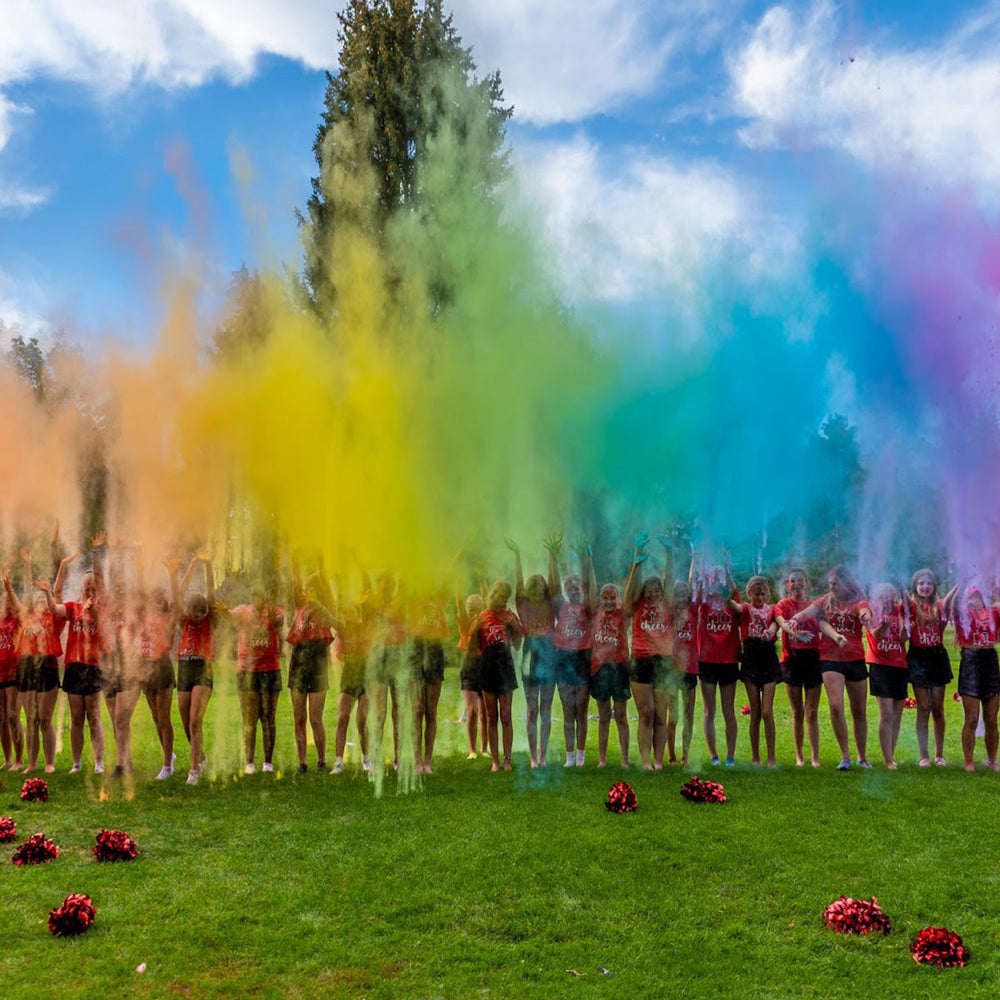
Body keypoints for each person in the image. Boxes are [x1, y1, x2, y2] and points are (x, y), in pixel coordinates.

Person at [794, 566, 872, 770]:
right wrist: (794, 620)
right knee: (836, 706)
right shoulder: (825, 600)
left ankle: (862, 757)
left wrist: (865, 616)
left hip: (855, 658)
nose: (833, 587)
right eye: (830, 584)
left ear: (847, 583)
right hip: (830, 658)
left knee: (859, 711)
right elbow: (807, 612)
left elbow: (864, 609)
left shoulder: (858, 599)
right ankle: (845, 756)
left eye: (836, 584)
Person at [50, 549, 106, 774]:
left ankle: (99, 763)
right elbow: (55, 606)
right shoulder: (73, 607)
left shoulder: (101, 608)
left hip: (93, 667)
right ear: (81, 589)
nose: (90, 591)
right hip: (73, 666)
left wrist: (92, 611)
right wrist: (62, 567)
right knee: (76, 717)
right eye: (87, 588)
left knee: (93, 715)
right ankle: (76, 763)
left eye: (94, 588)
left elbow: (101, 624)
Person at [16, 547, 69, 773]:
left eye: (42, 598)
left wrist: (61, 568)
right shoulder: (26, 617)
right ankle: (31, 763)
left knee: (44, 719)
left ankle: (49, 763)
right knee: (30, 719)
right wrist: (27, 565)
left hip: (47, 667)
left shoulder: (54, 618)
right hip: (27, 667)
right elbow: (27, 594)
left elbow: (57, 593)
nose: (39, 601)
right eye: (37, 598)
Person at [623, 534, 673, 769]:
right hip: (641, 660)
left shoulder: (667, 604)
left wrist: (670, 555)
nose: (653, 593)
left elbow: (670, 580)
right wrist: (637, 561)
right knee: (647, 712)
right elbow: (627, 597)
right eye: (649, 590)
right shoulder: (637, 604)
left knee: (661, 713)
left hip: (663, 661)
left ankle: (659, 760)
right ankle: (645, 760)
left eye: (657, 590)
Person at [506, 538, 556, 768]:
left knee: (546, 708)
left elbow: (555, 584)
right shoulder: (523, 604)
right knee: (532, 708)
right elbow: (517, 583)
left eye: (540, 587)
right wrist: (517, 555)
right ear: (528, 590)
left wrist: (552, 555)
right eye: (532, 588)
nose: (537, 591)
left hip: (548, 652)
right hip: (530, 654)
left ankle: (543, 755)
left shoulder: (551, 604)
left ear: (545, 590)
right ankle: (533, 757)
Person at [131, 553, 179, 780]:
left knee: (163, 717)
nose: (156, 601)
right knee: (154, 717)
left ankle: (167, 766)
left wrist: (173, 575)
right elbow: (140, 595)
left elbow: (178, 604)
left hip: (161, 668)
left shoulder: (168, 620)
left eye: (161, 599)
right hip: (144, 667)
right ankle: (169, 756)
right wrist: (140, 569)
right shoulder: (143, 616)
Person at [588, 549, 636, 768]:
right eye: (605, 598)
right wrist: (588, 559)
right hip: (599, 669)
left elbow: (629, 593)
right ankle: (602, 759)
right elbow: (590, 588)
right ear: (600, 599)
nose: (608, 601)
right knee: (604, 716)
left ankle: (625, 759)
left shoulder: (622, 615)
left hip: (619, 668)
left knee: (622, 717)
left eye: (612, 598)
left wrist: (635, 564)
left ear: (617, 600)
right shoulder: (595, 612)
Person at [468, 581, 523, 771]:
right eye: (494, 592)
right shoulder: (482, 617)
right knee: (491, 717)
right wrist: (474, 630)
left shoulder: (509, 616)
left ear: (505, 599)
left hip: (505, 666)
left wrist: (515, 628)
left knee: (505, 716)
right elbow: (472, 650)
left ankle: (507, 759)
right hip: (487, 667)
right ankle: (495, 761)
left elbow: (517, 645)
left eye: (500, 595)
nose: (494, 596)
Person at [287, 556, 334, 774]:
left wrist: (320, 558)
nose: (309, 591)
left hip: (318, 662)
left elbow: (335, 622)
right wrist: (294, 555)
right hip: (299, 662)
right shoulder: (299, 606)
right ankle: (302, 762)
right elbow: (294, 582)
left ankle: (322, 761)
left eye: (314, 588)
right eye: (308, 588)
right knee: (299, 718)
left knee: (316, 717)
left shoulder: (325, 609)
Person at [548, 535, 592, 767]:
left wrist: (585, 558)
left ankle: (582, 754)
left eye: (578, 588)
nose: (574, 591)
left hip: (582, 657)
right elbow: (553, 586)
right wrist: (553, 558)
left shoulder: (588, 607)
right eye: (570, 588)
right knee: (568, 711)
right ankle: (569, 756)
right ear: (566, 591)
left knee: (581, 710)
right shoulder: (561, 607)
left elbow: (589, 582)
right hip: (563, 658)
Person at [906, 569, 957, 766]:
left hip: (937, 658)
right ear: (915, 587)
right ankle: (924, 755)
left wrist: (961, 583)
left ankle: (939, 755)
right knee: (923, 708)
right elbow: (900, 597)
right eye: (921, 583)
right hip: (918, 657)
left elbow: (950, 600)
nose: (925, 586)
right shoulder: (910, 607)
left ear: (934, 586)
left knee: (938, 708)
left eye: (928, 583)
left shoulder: (939, 606)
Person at [231, 588, 284, 774]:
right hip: (247, 671)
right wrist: (223, 611)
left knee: (268, 717)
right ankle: (249, 762)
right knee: (249, 718)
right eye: (255, 596)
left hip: (269, 670)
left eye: (262, 596)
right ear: (251, 598)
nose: (258, 600)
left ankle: (268, 763)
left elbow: (279, 623)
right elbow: (230, 617)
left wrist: (270, 617)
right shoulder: (243, 611)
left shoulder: (275, 611)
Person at [773, 568, 822, 767]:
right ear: (787, 584)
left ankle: (815, 758)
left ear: (806, 583)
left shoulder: (814, 606)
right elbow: (780, 621)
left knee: (812, 711)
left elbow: (824, 625)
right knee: (797, 711)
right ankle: (800, 757)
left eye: (800, 580)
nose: (796, 584)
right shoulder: (783, 605)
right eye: (792, 581)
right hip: (791, 660)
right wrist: (793, 632)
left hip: (813, 659)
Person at [176, 550, 216, 785]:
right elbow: (179, 594)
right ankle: (200, 757)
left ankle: (193, 771)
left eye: (201, 614)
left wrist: (208, 566)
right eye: (194, 613)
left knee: (194, 721)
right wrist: (191, 564)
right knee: (185, 722)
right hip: (183, 668)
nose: (197, 618)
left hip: (203, 669)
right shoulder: (184, 620)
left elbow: (210, 594)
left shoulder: (210, 620)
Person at [696, 561, 742, 766]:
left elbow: (734, 590)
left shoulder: (731, 602)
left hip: (728, 661)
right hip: (706, 661)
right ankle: (714, 755)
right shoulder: (703, 602)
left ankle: (730, 756)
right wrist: (698, 560)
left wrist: (727, 565)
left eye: (718, 577)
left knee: (728, 710)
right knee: (709, 710)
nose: (715, 580)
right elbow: (694, 587)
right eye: (711, 577)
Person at [731, 576, 779, 767]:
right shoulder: (745, 609)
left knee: (767, 711)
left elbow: (777, 622)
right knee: (756, 712)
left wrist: (771, 630)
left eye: (763, 593)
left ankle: (771, 757)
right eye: (755, 593)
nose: (759, 597)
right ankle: (756, 756)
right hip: (750, 658)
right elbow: (733, 605)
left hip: (768, 659)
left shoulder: (773, 609)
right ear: (749, 593)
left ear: (768, 593)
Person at [952, 582, 1000, 771]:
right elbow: (953, 605)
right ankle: (969, 761)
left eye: (979, 596)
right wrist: (960, 580)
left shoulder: (994, 612)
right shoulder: (963, 614)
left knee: (992, 719)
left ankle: (992, 760)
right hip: (970, 661)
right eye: (972, 596)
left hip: (990, 661)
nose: (976, 600)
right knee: (971, 718)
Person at [865, 584, 908, 769]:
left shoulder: (900, 610)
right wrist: (883, 624)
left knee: (898, 714)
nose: (888, 600)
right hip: (880, 665)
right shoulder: (871, 610)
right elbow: (875, 634)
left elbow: (903, 638)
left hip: (899, 665)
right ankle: (887, 759)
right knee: (887, 713)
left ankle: (891, 754)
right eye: (883, 597)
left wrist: (904, 623)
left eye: (891, 596)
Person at [408, 588, 449, 775]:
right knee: (417, 709)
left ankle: (427, 762)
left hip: (434, 652)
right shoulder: (413, 598)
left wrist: (458, 556)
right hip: (416, 652)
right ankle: (417, 761)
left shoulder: (439, 599)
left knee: (431, 710)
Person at [669, 579, 699, 766]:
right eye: (677, 594)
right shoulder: (669, 612)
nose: (681, 597)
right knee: (673, 714)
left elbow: (695, 582)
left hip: (690, 668)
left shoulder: (693, 610)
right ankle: (671, 756)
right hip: (672, 669)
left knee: (688, 713)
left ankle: (685, 756)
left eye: (684, 594)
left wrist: (695, 555)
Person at [455, 586, 485, 760]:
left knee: (486, 713)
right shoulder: (465, 625)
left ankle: (484, 748)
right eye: (470, 609)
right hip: (469, 669)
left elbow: (489, 601)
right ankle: (472, 750)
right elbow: (459, 604)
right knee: (472, 710)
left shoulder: (485, 623)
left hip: (485, 668)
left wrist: (482, 581)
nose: (474, 612)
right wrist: (458, 583)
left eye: (477, 609)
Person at [0, 570, 23, 770]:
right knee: (1, 718)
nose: (7, 605)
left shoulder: (16, 622)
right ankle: (7, 759)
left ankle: (19, 759)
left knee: (12, 715)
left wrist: (10, 590)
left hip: (13, 673)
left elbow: (21, 609)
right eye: (4, 602)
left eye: (10, 602)